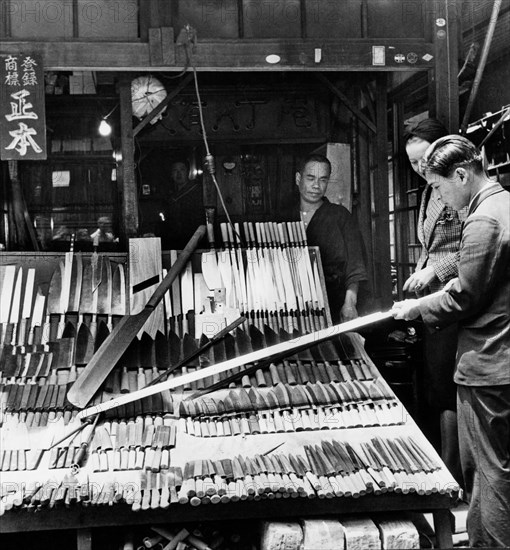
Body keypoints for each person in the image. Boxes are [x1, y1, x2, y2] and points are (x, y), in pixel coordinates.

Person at [392, 135, 510, 548]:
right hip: (503, 360)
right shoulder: (506, 204)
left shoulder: (483, 219)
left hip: (488, 364)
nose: (442, 198)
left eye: (441, 188)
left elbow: (466, 295)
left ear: (462, 174)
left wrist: (418, 308)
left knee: (487, 472)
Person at [403, 119, 466, 487]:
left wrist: (434, 272)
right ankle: (446, 468)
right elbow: (430, 244)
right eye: (413, 164)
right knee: (436, 385)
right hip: (431, 299)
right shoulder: (429, 191)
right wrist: (421, 270)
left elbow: (472, 247)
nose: (420, 169)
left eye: (424, 160)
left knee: (447, 386)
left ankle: (453, 473)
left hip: (454, 297)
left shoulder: (455, 190)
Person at [295, 153, 368, 323]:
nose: (316, 186)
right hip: (292, 304)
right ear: (298, 178)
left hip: (333, 302)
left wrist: (350, 303)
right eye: (310, 178)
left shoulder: (340, 216)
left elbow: (355, 265)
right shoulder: (284, 216)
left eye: (323, 180)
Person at [161, 160, 204, 249]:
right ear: (171, 174)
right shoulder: (170, 196)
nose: (178, 173)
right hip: (174, 241)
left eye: (182, 170)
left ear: (188, 172)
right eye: (175, 170)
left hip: (193, 241)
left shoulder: (196, 190)